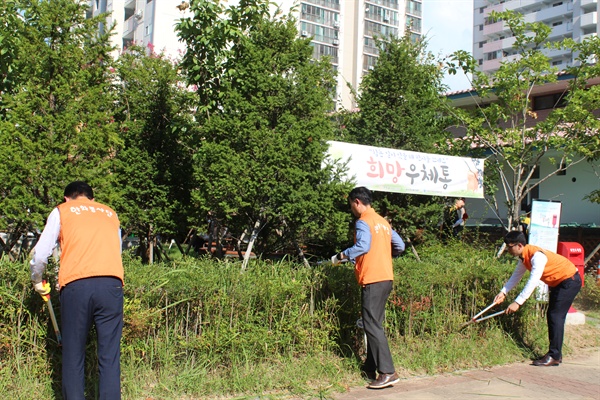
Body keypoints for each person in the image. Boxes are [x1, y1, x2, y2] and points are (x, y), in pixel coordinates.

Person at [30, 181, 124, 399]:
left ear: (66, 198)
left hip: (77, 285)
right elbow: (116, 250)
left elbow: (41, 254)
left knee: (73, 354)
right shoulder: (110, 213)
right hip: (111, 285)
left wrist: (37, 279)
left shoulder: (62, 211)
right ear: (92, 199)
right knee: (109, 356)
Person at [331, 187, 405, 389]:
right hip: (386, 277)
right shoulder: (382, 222)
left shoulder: (363, 221)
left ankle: (388, 372)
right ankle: (370, 366)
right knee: (374, 323)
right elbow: (400, 246)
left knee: (371, 324)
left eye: (351, 205)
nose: (351, 209)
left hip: (372, 277)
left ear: (356, 202)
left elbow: (363, 246)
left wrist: (342, 256)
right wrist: (383, 255)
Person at [493, 231, 581, 366]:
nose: (508, 250)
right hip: (559, 283)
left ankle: (554, 355)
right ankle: (556, 354)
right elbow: (516, 276)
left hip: (569, 280)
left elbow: (533, 281)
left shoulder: (536, 257)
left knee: (555, 316)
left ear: (520, 245)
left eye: (510, 247)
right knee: (553, 316)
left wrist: (517, 302)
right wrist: (503, 292)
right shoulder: (524, 257)